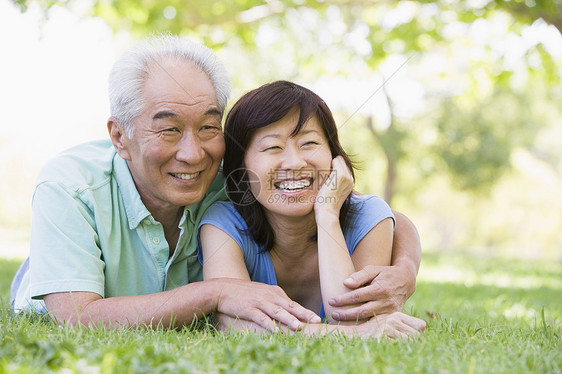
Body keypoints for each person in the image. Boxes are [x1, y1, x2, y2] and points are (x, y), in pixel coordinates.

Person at [10, 34, 421, 332]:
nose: (193, 153)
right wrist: (217, 293)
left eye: (209, 126)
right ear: (121, 136)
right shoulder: (69, 185)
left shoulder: (232, 177)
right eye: (169, 130)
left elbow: (376, 215)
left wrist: (404, 268)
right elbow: (77, 317)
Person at [198, 80, 426, 338]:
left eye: (309, 143)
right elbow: (235, 323)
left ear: (334, 157)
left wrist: (327, 215)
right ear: (242, 168)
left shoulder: (369, 217)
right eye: (273, 147)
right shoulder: (223, 224)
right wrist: (352, 336)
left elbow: (352, 316)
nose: (295, 162)